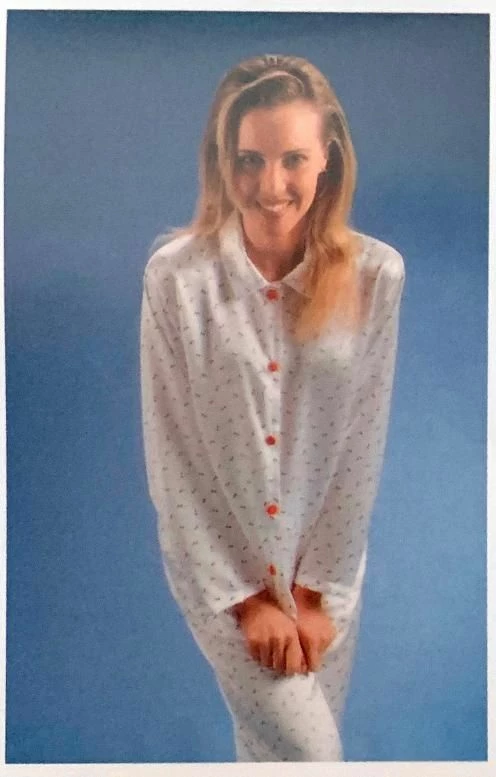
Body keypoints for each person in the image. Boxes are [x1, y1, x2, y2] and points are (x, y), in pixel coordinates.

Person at [140, 53, 405, 762]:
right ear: (222, 162)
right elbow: (173, 457)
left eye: (293, 159)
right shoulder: (177, 280)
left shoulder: (377, 276)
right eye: (249, 160)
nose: (270, 185)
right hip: (222, 576)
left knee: (271, 760)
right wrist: (246, 600)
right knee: (313, 757)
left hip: (328, 580)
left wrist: (315, 593)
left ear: (328, 160)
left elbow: (362, 442)